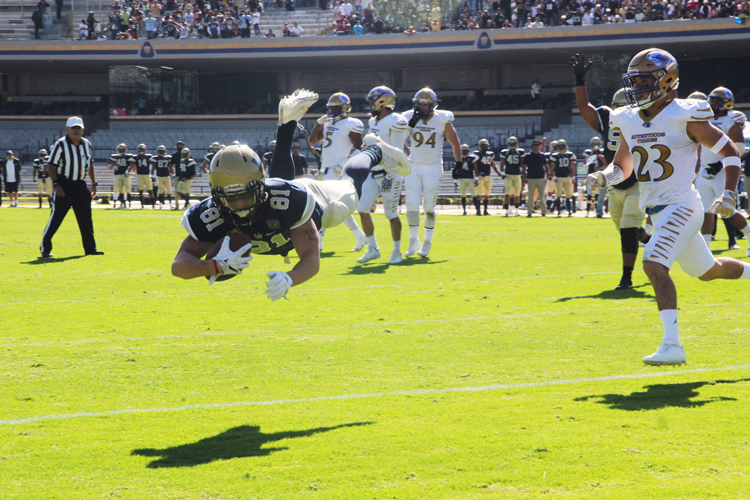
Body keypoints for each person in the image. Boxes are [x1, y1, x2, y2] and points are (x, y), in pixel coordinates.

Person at [588, 48, 750, 366]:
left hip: (682, 205)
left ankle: (672, 345)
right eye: (634, 82)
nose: (637, 89)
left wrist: (730, 193)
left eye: (644, 80)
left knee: (653, 264)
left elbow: (730, 150)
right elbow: (623, 166)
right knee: (708, 271)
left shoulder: (684, 115)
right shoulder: (628, 119)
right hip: (657, 210)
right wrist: (603, 177)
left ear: (667, 80)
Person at [171, 89, 360, 301]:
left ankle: (372, 152)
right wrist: (215, 265)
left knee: (352, 188)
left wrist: (290, 278)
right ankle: (287, 125)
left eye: (246, 196)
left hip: (322, 202)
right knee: (280, 192)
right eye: (230, 199)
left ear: (261, 186)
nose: (240, 205)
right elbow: (178, 266)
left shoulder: (291, 200)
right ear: (216, 195)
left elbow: (311, 258)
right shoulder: (211, 215)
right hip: (279, 200)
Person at [573, 53, 649, 290]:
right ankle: (650, 239)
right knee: (628, 231)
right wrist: (579, 81)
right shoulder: (608, 117)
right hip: (615, 182)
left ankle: (626, 278)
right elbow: (584, 107)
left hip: (637, 182)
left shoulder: (643, 117)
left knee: (628, 229)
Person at [341, 86, 412, 265]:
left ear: (383, 101)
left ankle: (397, 251)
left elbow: (396, 152)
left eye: (373, 100)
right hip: (374, 173)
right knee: (363, 208)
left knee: (391, 213)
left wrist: (391, 174)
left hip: (390, 173)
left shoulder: (397, 120)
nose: (370, 104)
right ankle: (372, 249)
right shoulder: (374, 121)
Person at [402, 88, 462, 258]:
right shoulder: (409, 117)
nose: (421, 108)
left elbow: (455, 143)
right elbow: (399, 140)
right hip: (413, 166)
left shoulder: (442, 119)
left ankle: (427, 241)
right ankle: (414, 240)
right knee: (411, 206)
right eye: (419, 104)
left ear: (433, 105)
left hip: (433, 167)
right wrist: (410, 125)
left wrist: (459, 164)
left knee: (429, 208)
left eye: (425, 105)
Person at [308, 92, 367, 251]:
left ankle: (319, 242)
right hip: (326, 167)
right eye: (331, 109)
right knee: (332, 206)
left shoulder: (350, 123)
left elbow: (360, 147)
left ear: (346, 108)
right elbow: (314, 140)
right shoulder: (327, 122)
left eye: (336, 109)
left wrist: (347, 162)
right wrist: (318, 124)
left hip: (336, 169)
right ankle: (360, 236)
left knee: (326, 206)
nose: (333, 112)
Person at [694, 86, 750, 254]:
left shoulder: (731, 119)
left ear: (728, 104)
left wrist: (720, 164)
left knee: (727, 210)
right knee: (705, 210)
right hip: (705, 170)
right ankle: (706, 248)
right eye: (712, 100)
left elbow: (739, 148)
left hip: (722, 170)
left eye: (718, 101)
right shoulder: (704, 118)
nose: (713, 104)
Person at [40, 117, 102, 257]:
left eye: (78, 128)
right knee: (56, 219)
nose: (76, 131)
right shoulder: (60, 144)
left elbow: (90, 164)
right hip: (64, 185)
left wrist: (93, 183)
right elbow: (51, 165)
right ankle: (45, 247)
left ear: (83, 129)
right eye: (73, 128)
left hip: (80, 185)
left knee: (86, 219)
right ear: (67, 129)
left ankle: (90, 249)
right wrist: (57, 185)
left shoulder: (86, 144)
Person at [548, 139, 576, 217]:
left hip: (567, 177)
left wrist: (572, 176)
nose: (561, 147)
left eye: (562, 146)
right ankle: (559, 211)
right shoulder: (554, 156)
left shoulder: (569, 155)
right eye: (559, 146)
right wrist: (553, 176)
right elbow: (552, 167)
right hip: (558, 177)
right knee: (558, 195)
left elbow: (572, 167)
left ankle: (569, 211)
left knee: (568, 195)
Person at [474, 138, 500, 215]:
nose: (485, 147)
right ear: (480, 146)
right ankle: (478, 210)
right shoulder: (476, 154)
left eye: (486, 146)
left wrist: (498, 171)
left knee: (487, 194)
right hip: (480, 177)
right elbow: (474, 166)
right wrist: (477, 174)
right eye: (483, 146)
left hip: (488, 176)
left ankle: (485, 210)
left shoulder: (490, 154)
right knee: (479, 194)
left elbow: (493, 163)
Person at [499, 136, 524, 217]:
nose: (512, 145)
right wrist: (502, 172)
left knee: (517, 194)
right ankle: (507, 211)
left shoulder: (520, 152)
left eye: (513, 143)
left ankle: (516, 211)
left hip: (517, 175)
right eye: (511, 143)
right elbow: (502, 164)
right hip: (508, 175)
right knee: (507, 194)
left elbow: (522, 162)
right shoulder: (505, 152)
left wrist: (521, 169)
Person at [521, 140, 548, 217]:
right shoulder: (528, 156)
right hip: (531, 178)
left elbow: (546, 165)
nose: (536, 147)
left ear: (540, 146)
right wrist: (524, 177)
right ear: (532, 146)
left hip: (540, 177)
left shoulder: (542, 155)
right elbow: (524, 167)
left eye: (537, 145)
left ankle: (543, 211)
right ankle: (529, 211)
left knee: (542, 195)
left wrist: (548, 174)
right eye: (534, 145)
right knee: (530, 196)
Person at [453, 143, 481, 216]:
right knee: (463, 195)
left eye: (465, 151)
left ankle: (477, 210)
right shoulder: (459, 159)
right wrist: (455, 180)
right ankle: (464, 210)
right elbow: (456, 170)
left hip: (470, 178)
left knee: (473, 195)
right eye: (463, 151)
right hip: (462, 178)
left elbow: (476, 168)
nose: (464, 152)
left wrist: (477, 178)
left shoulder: (472, 158)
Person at [109, 143, 132, 209]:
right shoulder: (115, 156)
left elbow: (131, 164)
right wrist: (114, 165)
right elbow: (111, 167)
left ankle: (129, 203)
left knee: (128, 189)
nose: (121, 151)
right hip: (118, 174)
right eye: (120, 149)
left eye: (122, 149)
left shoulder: (128, 156)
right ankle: (122, 203)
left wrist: (129, 171)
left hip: (126, 175)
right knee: (120, 190)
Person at [132, 143, 155, 209]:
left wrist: (153, 174)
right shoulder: (136, 157)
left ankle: (153, 204)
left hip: (147, 175)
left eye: (142, 149)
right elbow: (133, 165)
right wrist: (131, 172)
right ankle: (142, 204)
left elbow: (153, 164)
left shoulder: (148, 156)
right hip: (139, 175)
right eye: (140, 149)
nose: (141, 150)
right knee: (141, 190)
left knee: (150, 190)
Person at [151, 145, 174, 209]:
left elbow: (171, 167)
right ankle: (161, 205)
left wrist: (173, 174)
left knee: (169, 191)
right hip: (159, 176)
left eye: (162, 151)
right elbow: (153, 168)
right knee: (161, 191)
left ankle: (170, 204)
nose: (161, 152)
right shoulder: (155, 158)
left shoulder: (168, 157)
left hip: (166, 176)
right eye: (160, 151)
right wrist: (153, 175)